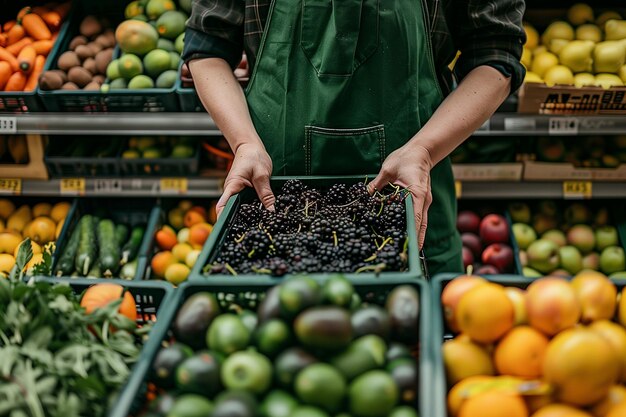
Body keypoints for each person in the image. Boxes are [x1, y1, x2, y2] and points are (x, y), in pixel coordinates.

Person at [183, 0, 526, 275]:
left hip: (412, 192)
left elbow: (496, 54)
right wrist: (244, 142)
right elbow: (207, 46)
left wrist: (423, 150)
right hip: (274, 202)